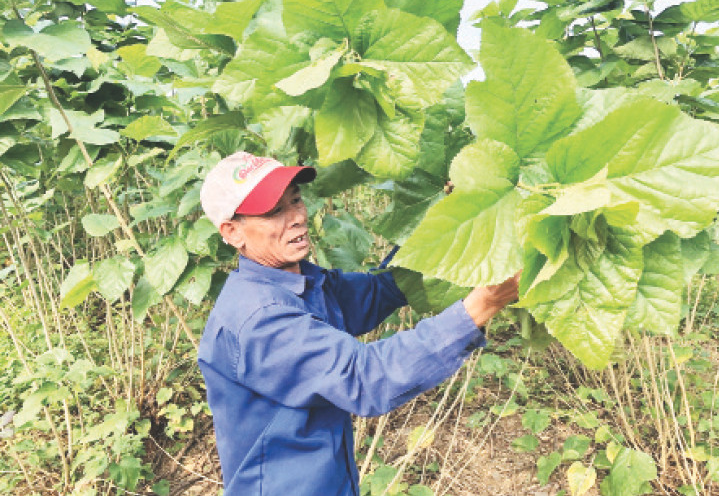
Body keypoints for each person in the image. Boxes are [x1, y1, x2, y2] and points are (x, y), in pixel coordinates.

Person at [197, 152, 520, 495]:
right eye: (275, 211)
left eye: (295, 200)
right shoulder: (260, 318)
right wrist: (483, 304)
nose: (297, 217)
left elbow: (382, 289)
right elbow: (366, 378)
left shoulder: (302, 283)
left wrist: (446, 215)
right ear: (233, 232)